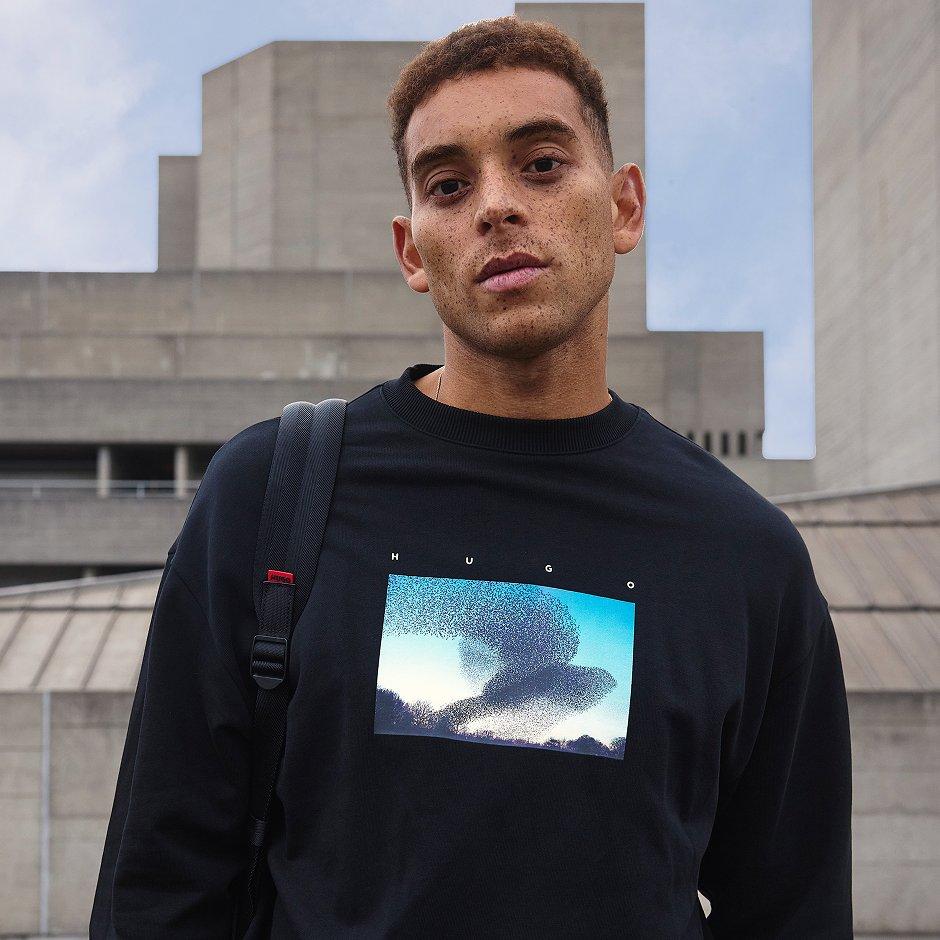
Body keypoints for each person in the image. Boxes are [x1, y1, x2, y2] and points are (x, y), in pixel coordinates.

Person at [90, 14, 853, 938]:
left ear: (624, 208)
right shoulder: (270, 495)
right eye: (449, 185)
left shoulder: (745, 556)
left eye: (541, 164)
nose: (496, 205)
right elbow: (159, 885)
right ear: (413, 251)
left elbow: (793, 911)